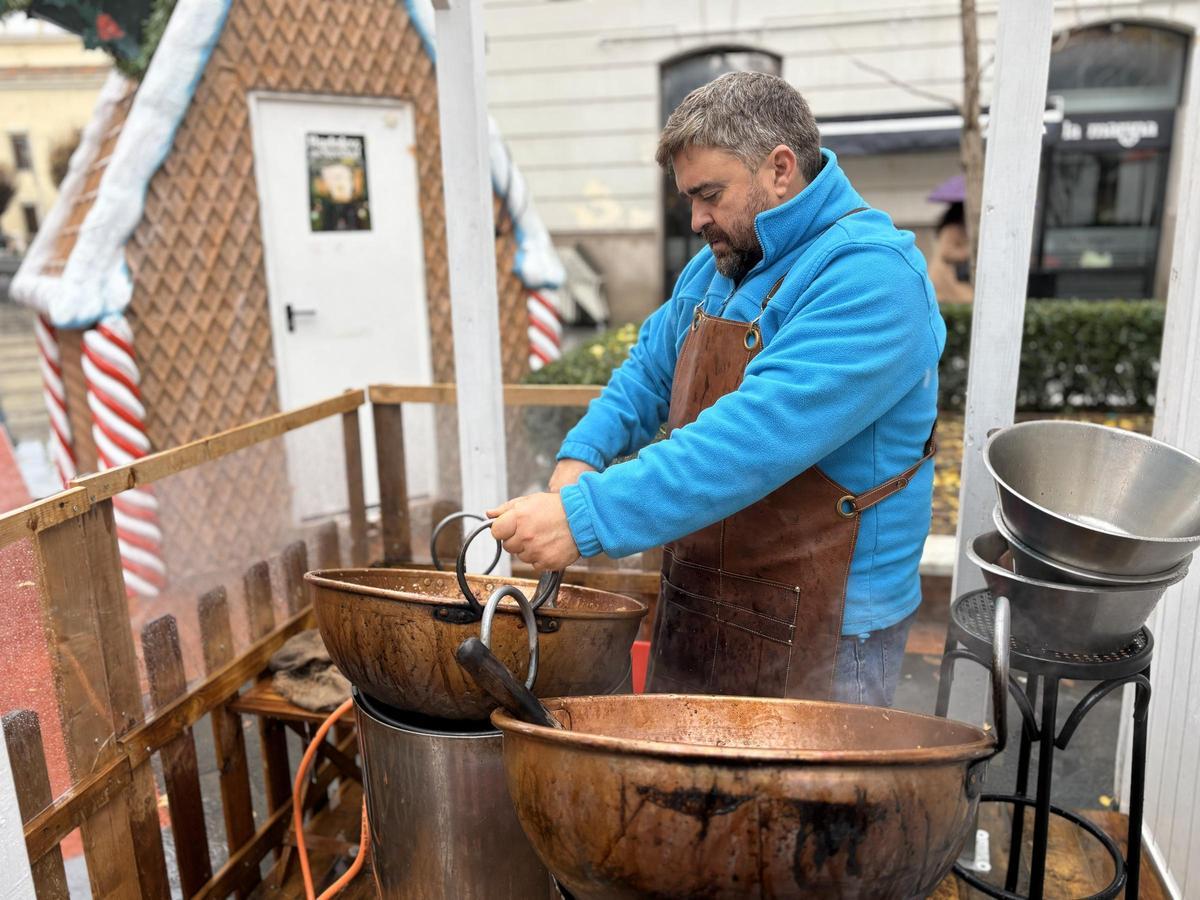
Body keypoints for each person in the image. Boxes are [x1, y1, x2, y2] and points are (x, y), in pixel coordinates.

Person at [488, 72, 945, 707]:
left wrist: (586, 516)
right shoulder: (720, 264)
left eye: (709, 194)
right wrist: (580, 457)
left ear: (780, 169)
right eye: (689, 198)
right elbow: (647, 371)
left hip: (830, 630)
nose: (696, 218)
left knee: (801, 780)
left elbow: (752, 439)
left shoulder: (874, 278)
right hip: (701, 594)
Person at [928, 202, 973, 303]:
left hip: (954, 273)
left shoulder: (961, 228)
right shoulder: (951, 229)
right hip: (945, 274)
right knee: (966, 298)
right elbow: (946, 252)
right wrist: (967, 253)